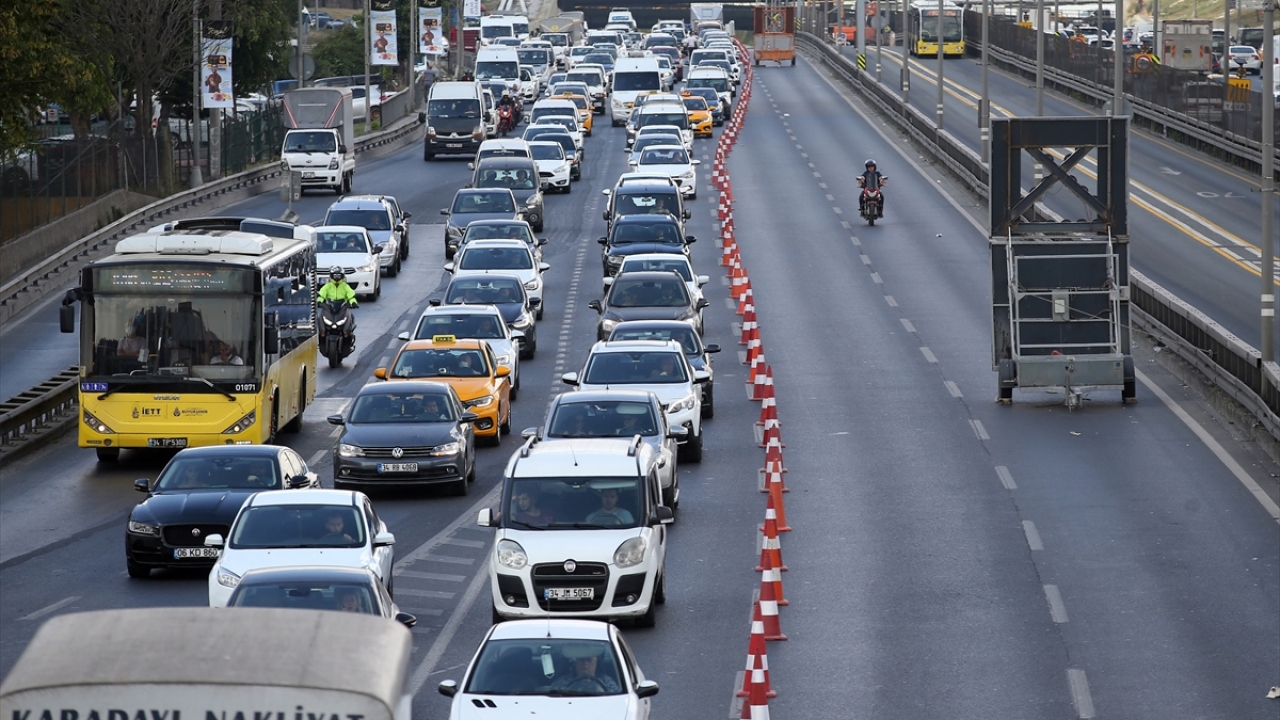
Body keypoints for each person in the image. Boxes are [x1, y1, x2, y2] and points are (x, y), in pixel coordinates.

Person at [551, 646, 621, 693]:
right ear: (576, 662)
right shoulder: (562, 682)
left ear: (596, 662)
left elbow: (617, 696)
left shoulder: (607, 682)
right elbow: (551, 694)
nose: (585, 663)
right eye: (581, 660)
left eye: (589, 660)